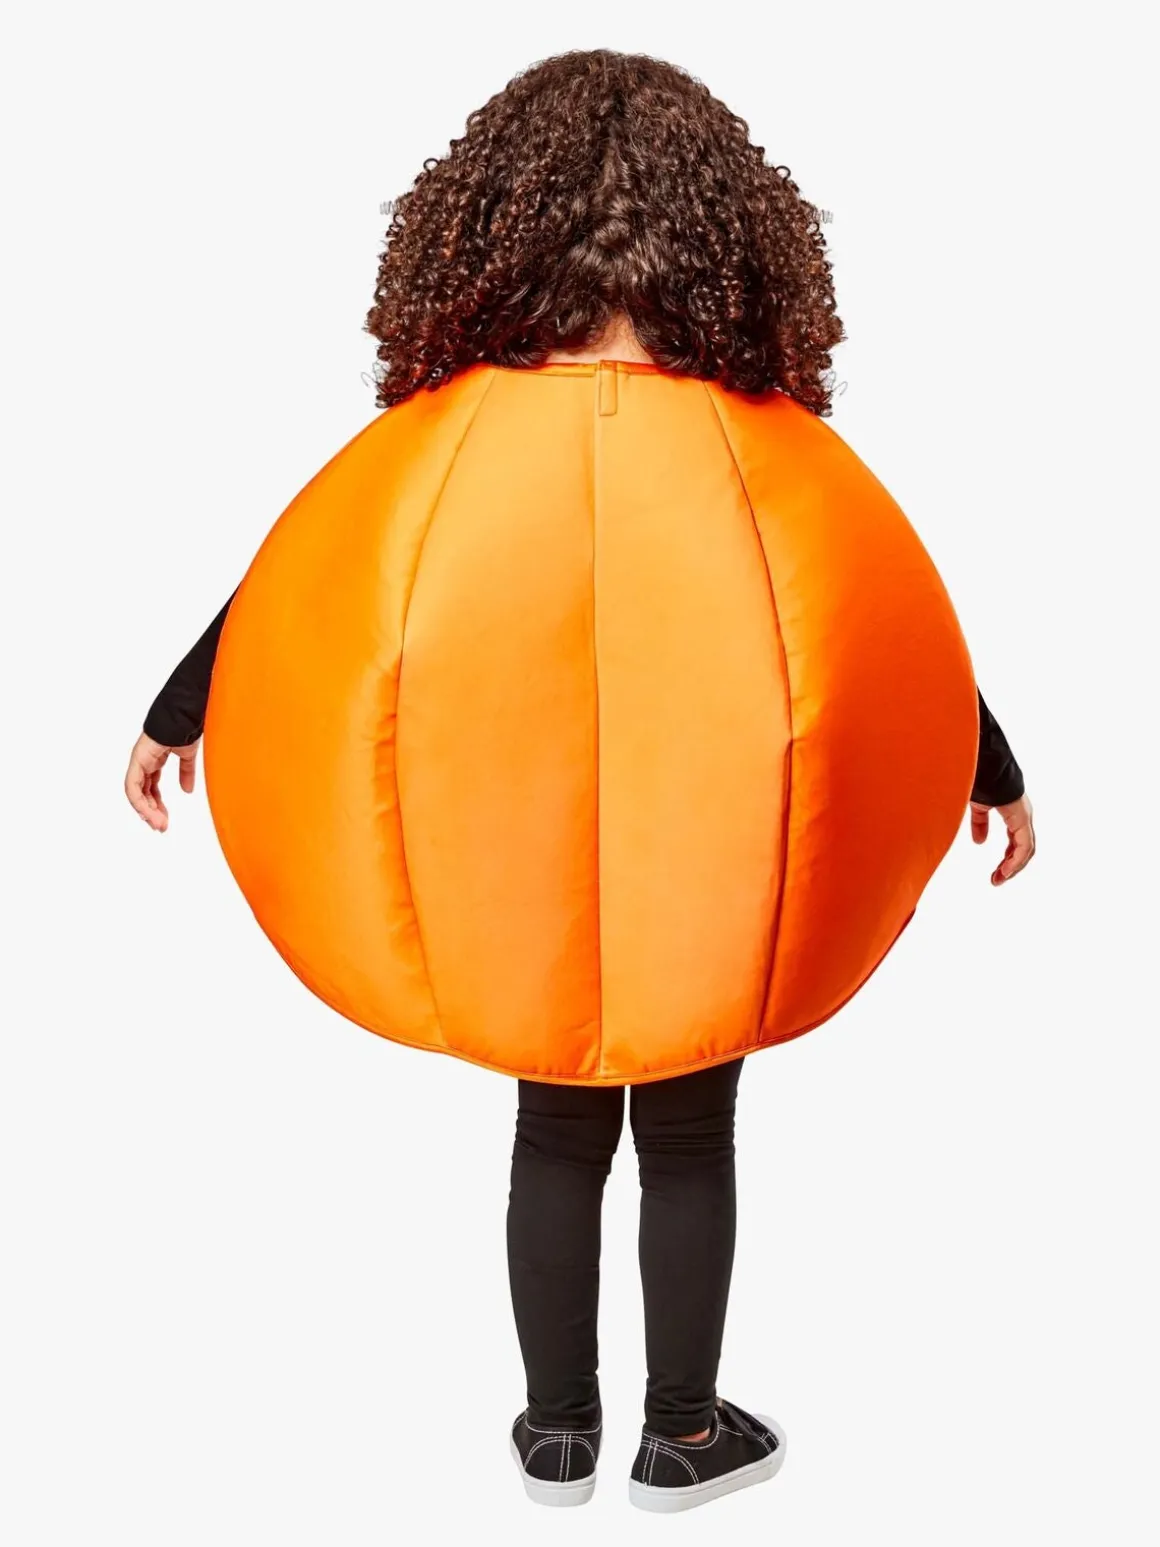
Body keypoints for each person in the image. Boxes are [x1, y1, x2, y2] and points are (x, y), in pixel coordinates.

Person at [123, 49, 1035, 1514]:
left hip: (515, 844)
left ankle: (556, 1434)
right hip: (714, 850)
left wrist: (179, 713)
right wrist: (990, 763)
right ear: (725, 241)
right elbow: (876, 623)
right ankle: (683, 1432)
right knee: (689, 1134)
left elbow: (309, 590)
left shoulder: (441, 443)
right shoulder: (772, 452)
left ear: (493, 230)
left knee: (554, 1126)